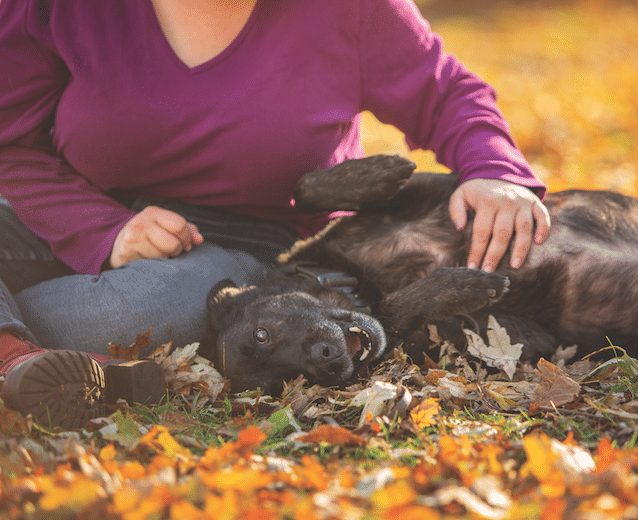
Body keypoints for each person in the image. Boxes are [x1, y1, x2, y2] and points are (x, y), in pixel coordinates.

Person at [0, 0, 550, 428]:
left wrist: (494, 169)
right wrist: (103, 228)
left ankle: (24, 347)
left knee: (140, 312)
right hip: (68, 208)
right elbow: (11, 141)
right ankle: (14, 354)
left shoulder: (349, 10)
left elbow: (445, 90)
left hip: (252, 244)